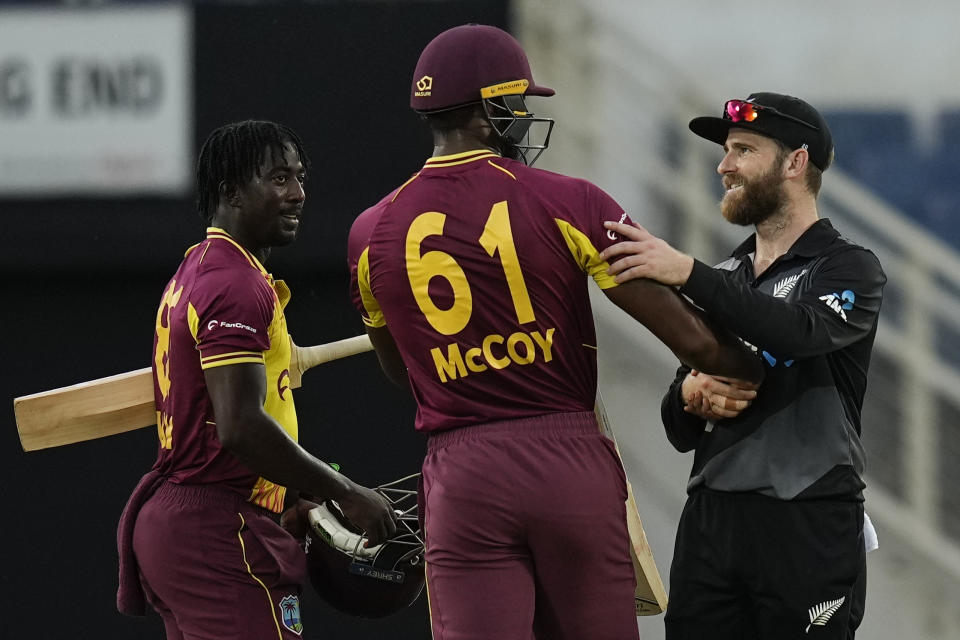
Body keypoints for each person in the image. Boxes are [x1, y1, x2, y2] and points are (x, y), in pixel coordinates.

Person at [347, 25, 764, 640]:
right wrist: (757, 367)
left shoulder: (368, 232)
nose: (523, 118)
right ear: (489, 111)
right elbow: (695, 343)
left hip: (462, 473)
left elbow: (399, 370)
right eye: (517, 103)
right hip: (566, 459)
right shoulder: (572, 201)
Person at [600, 93, 886, 639]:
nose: (723, 165)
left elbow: (799, 332)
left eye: (743, 150)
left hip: (807, 517)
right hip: (712, 522)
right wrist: (689, 393)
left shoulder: (849, 267)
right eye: (726, 150)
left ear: (795, 163)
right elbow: (678, 429)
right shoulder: (726, 274)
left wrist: (686, 273)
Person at [116, 120, 397, 639]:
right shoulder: (234, 284)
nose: (298, 194)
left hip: (191, 522)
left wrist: (285, 496)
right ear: (231, 193)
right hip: (213, 527)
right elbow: (240, 426)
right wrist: (347, 490)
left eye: (299, 177)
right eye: (278, 179)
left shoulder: (199, 268)